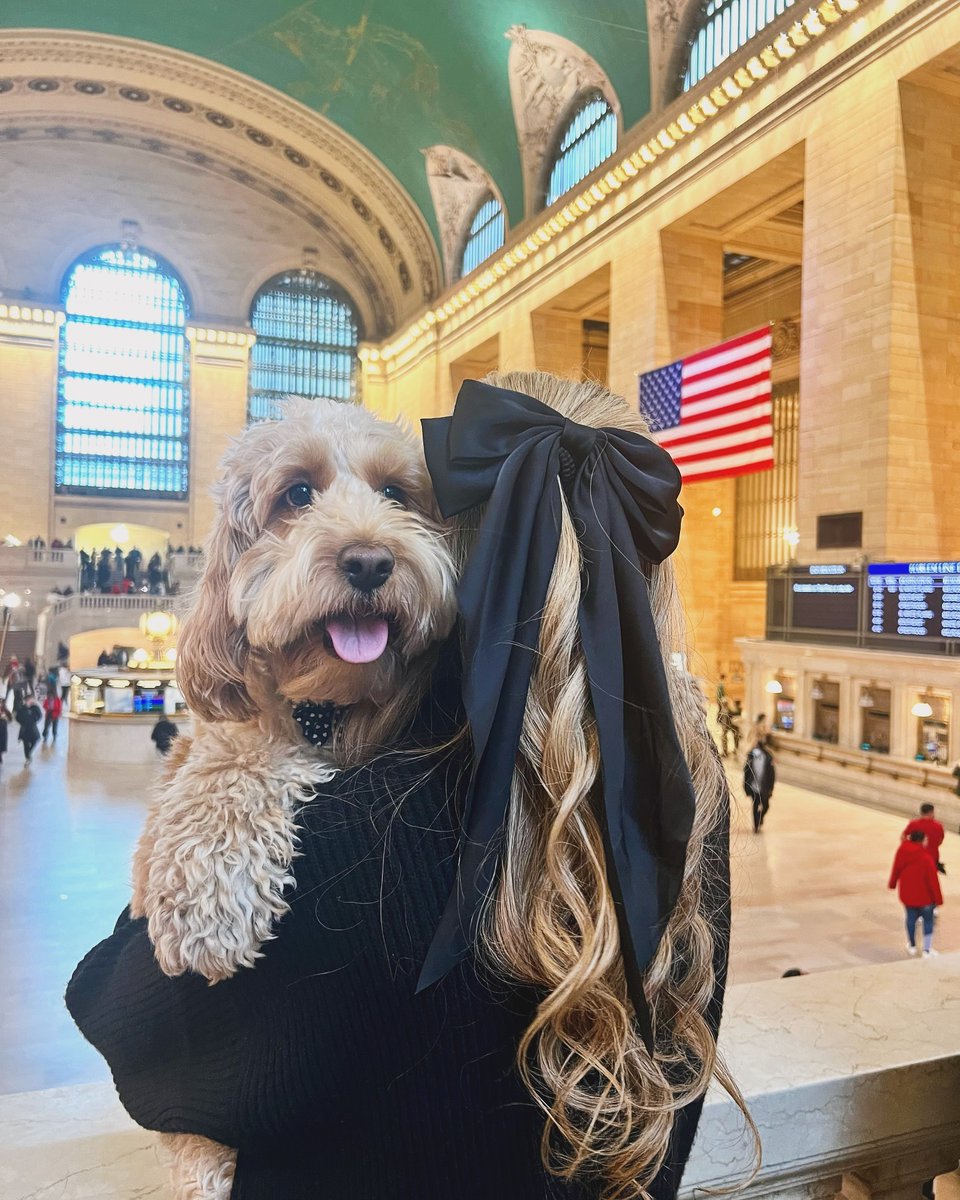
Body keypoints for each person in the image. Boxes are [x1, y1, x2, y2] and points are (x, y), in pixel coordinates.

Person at [67, 374, 746, 1200]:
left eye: (401, 497)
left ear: (460, 554)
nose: (367, 542)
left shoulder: (358, 835)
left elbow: (131, 1023)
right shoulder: (691, 805)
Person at [889, 829, 943, 957]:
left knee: (910, 919)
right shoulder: (926, 858)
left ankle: (912, 945)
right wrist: (938, 899)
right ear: (922, 841)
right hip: (925, 897)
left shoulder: (901, 851)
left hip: (907, 894)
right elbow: (933, 881)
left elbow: (896, 868)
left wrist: (893, 883)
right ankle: (927, 950)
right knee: (928, 922)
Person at [903, 803, 946, 874]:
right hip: (932, 859)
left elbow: (903, 837)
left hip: (914, 858)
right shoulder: (939, 826)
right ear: (931, 812)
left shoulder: (914, 823)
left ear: (921, 812)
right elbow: (940, 841)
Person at [744, 738, 775, 832]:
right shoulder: (750, 758)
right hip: (754, 787)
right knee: (755, 805)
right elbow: (746, 774)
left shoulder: (767, 758)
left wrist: (770, 788)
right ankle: (756, 825)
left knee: (766, 805)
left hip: (764, 787)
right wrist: (746, 787)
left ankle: (760, 818)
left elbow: (772, 775)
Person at [14, 696, 42, 764]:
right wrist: (22, 722)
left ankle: (29, 753)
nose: (29, 701)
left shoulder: (35, 707)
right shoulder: (22, 708)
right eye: (28, 700)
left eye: (30, 700)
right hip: (25, 729)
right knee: (25, 743)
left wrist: (34, 720)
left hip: (33, 728)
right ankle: (28, 757)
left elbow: (39, 715)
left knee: (35, 740)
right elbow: (17, 717)